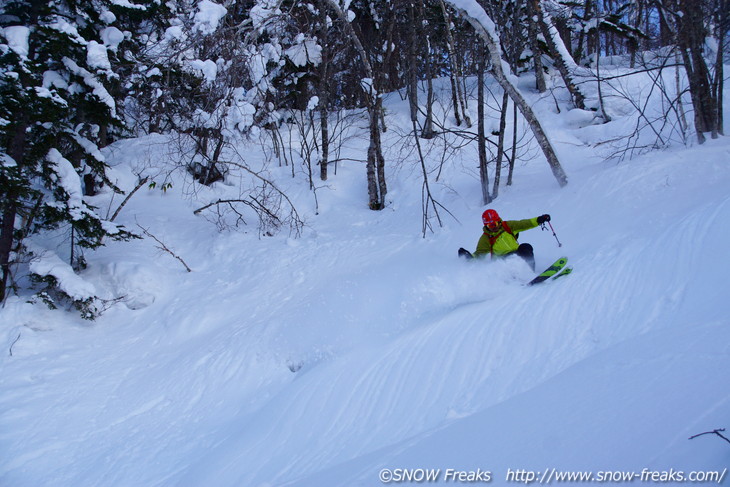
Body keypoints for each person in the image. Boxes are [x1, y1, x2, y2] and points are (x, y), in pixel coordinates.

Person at [469, 209, 551, 271]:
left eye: (495, 224)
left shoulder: (507, 226)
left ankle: (530, 271)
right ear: (486, 226)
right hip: (502, 260)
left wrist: (538, 220)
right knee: (510, 259)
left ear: (499, 221)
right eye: (490, 226)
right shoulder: (486, 238)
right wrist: (469, 257)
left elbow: (523, 224)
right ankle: (514, 278)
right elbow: (479, 254)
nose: (494, 227)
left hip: (517, 252)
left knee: (526, 247)